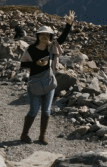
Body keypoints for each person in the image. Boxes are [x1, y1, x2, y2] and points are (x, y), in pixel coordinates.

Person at [17, 10, 74, 144]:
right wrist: (35, 64)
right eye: (42, 34)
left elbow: (62, 39)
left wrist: (69, 24)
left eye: (47, 35)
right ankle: (24, 134)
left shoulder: (51, 47)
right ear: (38, 36)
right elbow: (23, 65)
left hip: (48, 81)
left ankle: (42, 136)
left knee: (47, 110)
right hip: (35, 82)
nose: (45, 37)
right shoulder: (30, 49)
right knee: (34, 110)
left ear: (50, 36)